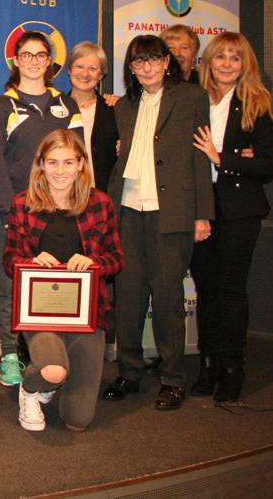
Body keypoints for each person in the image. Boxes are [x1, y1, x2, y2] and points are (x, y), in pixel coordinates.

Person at [102, 34, 213, 411]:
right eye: (138, 62)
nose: (146, 67)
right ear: (130, 68)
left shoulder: (193, 98)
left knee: (167, 297)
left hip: (173, 211)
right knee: (128, 297)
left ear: (168, 61)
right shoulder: (125, 106)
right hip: (129, 208)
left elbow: (200, 157)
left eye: (153, 59)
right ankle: (129, 372)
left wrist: (202, 213)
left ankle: (173, 378)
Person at [3, 130, 123, 431]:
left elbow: (117, 259)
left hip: (87, 316)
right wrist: (31, 263)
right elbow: (9, 262)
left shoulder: (100, 204)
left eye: (68, 163)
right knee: (54, 370)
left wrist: (94, 263)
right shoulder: (22, 204)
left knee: (77, 420)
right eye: (52, 162)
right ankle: (32, 389)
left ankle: (50, 383)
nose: (60, 171)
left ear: (81, 164)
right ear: (41, 164)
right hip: (39, 316)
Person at [0, 31, 83, 388]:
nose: (34, 61)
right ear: (16, 60)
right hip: (16, 213)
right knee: (9, 284)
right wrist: (11, 209)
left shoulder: (66, 105)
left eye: (41, 55)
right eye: (27, 55)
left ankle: (52, 350)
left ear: (49, 62)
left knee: (55, 280)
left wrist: (78, 208)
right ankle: (9, 354)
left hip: (59, 214)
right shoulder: (2, 106)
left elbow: (80, 158)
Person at [190, 32, 273, 403]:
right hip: (199, 209)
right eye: (220, 56)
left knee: (230, 289)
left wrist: (221, 157)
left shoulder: (255, 102)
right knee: (206, 289)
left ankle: (232, 367)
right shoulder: (194, 100)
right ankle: (207, 365)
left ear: (246, 65)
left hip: (240, 211)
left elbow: (268, 166)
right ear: (208, 62)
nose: (227, 63)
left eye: (235, 58)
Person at [66, 42, 118, 193]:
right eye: (79, 66)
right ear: (69, 70)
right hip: (62, 196)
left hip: (101, 198)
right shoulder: (54, 109)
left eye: (93, 68)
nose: (85, 74)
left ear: (101, 75)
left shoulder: (114, 111)